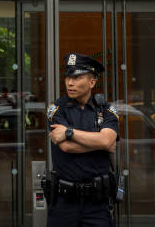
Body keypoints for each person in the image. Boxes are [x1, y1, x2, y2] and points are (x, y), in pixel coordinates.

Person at [45, 53, 119, 227]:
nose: (70, 83)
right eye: (68, 77)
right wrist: (100, 142)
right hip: (64, 202)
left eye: (77, 78)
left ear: (92, 82)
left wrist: (69, 132)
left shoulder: (107, 110)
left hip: (98, 204)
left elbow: (107, 141)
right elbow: (67, 147)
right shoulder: (57, 109)